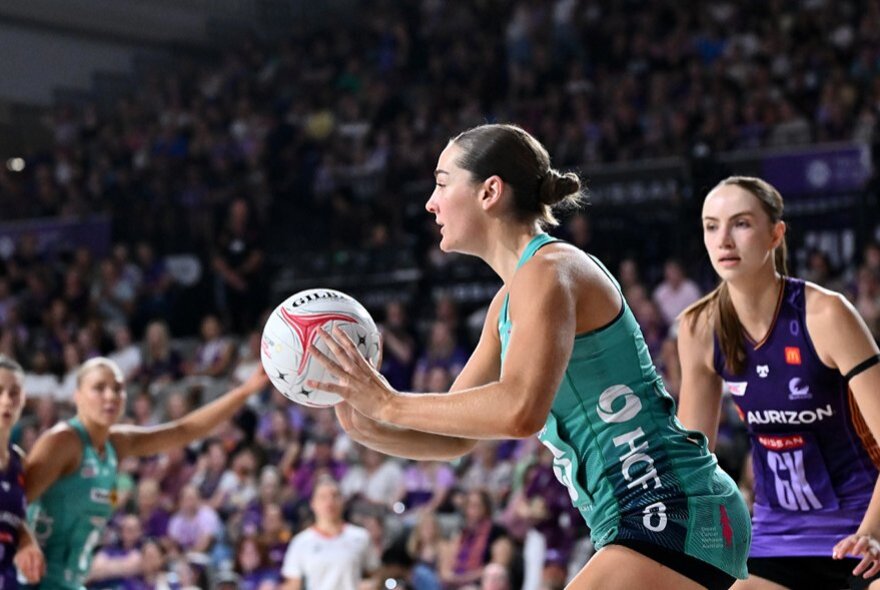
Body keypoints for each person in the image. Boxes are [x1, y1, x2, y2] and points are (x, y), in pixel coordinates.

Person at [310, 123, 751, 590]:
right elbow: (456, 438)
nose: (430, 202)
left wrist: (389, 402)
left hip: (669, 507)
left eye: (441, 183)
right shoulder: (509, 300)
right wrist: (365, 423)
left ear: (489, 192)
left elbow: (520, 409)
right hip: (639, 519)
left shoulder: (550, 270)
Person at [676, 176, 880, 590]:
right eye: (711, 226)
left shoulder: (826, 314)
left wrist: (872, 532)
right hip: (777, 540)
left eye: (741, 223)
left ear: (776, 234)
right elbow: (692, 462)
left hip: (863, 526)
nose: (724, 239)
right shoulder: (699, 326)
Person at [24, 356, 269, 590]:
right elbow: (13, 506)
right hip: (29, 581)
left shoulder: (117, 443)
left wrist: (245, 391)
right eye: (99, 388)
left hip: (68, 581)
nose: (110, 395)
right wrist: (25, 542)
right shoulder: (62, 441)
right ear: (77, 396)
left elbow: (182, 431)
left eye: (118, 388)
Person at [280, 476, 376, 590]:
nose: (329, 502)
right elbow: (293, 584)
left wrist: (372, 584)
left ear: (343, 501)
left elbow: (374, 573)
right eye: (323, 497)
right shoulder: (301, 542)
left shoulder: (360, 536)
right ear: (313, 503)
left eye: (335, 496)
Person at [0, 356, 45, 586]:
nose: (6, 400)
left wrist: (27, 541)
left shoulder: (18, 461)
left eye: (14, 393)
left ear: (24, 399)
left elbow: (15, 518)